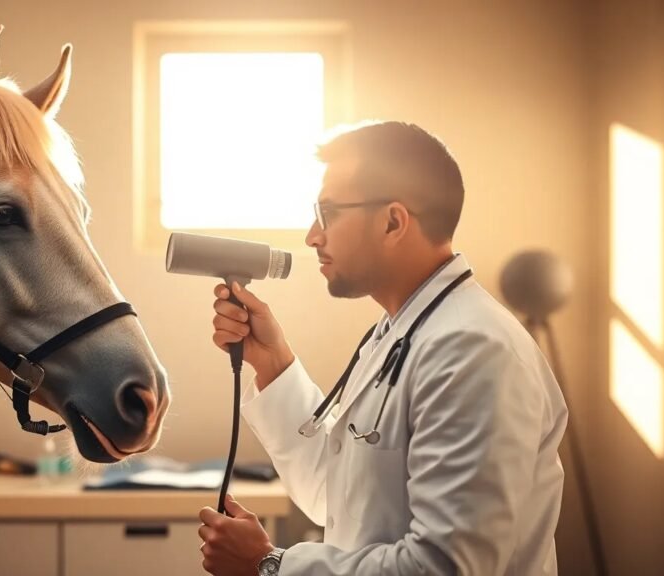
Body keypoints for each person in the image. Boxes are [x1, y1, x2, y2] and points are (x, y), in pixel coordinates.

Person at [197, 121, 568, 576]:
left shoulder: (474, 353)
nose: (312, 235)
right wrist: (271, 362)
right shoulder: (399, 333)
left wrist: (271, 564)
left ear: (393, 221)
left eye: (328, 213)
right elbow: (337, 496)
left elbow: (443, 567)